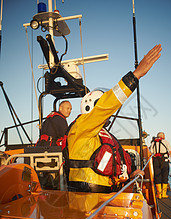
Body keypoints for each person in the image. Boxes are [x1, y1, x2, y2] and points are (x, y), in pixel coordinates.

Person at [65, 44, 162, 193]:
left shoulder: (103, 135)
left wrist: (130, 175)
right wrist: (135, 76)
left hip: (109, 195)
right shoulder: (81, 126)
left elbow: (114, 162)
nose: (108, 114)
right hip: (87, 200)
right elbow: (108, 104)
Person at [150, 132, 171, 199]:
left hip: (156, 161)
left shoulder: (153, 143)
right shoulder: (165, 142)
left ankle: (159, 194)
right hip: (164, 160)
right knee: (165, 175)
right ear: (162, 136)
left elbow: (151, 152)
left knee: (157, 176)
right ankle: (164, 194)